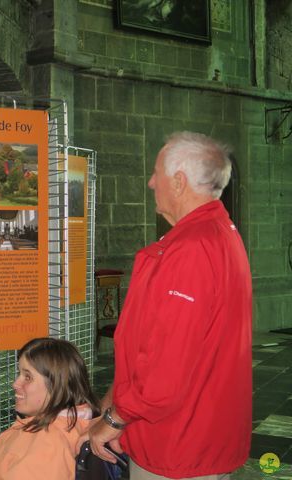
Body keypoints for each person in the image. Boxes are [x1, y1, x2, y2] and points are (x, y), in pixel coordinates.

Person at [89, 131, 252, 479]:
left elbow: (167, 365)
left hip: (178, 443)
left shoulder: (190, 250)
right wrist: (116, 399)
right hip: (197, 433)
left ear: (178, 182)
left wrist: (115, 420)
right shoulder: (219, 233)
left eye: (156, 172)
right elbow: (157, 343)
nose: (150, 183)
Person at [0, 337, 100, 480]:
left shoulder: (48, 443)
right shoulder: (67, 421)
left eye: (28, 377)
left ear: (57, 385)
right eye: (19, 373)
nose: (15, 383)